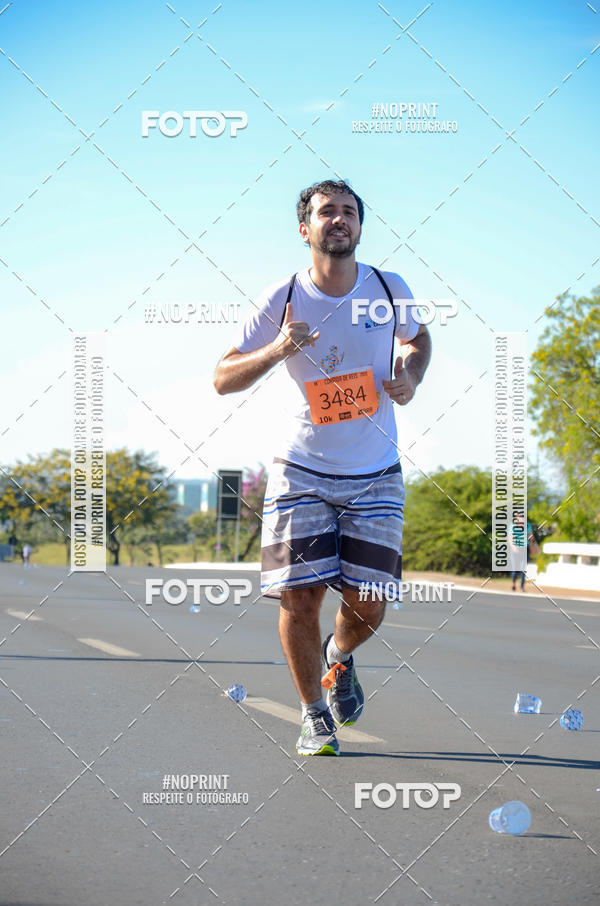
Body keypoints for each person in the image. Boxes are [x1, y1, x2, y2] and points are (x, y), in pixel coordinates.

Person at [213, 179, 432, 756]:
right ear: (304, 228)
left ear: (359, 226)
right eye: (326, 212)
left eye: (349, 212)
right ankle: (313, 715)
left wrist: (410, 375)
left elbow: (418, 339)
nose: (339, 219)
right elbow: (222, 378)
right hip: (300, 469)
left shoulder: (389, 288)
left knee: (370, 600)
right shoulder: (281, 297)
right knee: (300, 597)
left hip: (376, 469)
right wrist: (279, 349)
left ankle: (339, 658)